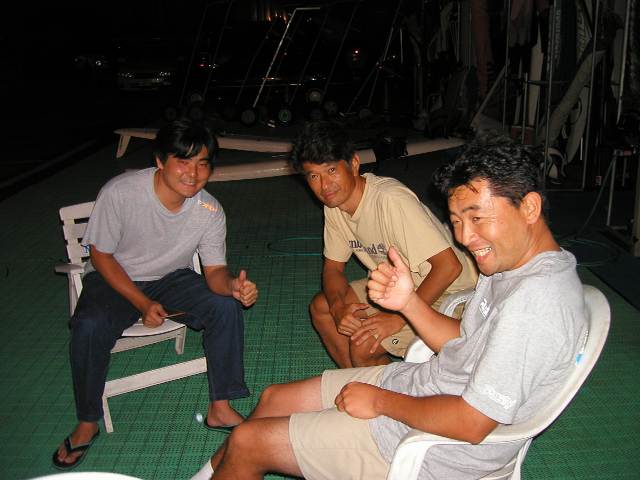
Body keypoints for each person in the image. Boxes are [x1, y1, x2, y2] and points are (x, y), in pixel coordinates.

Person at [191, 133, 587, 480]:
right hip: (422, 385)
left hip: (430, 444)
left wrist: (379, 401)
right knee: (274, 399)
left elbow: (472, 423)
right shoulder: (510, 265)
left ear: (529, 207)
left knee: (249, 441)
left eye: (478, 218)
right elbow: (466, 340)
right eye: (456, 221)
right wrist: (408, 304)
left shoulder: (535, 303)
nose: (465, 237)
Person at [53, 118, 258, 469]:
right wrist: (142, 302)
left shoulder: (209, 210)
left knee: (225, 307)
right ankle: (87, 421)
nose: (193, 174)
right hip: (115, 277)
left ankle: (220, 408)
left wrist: (232, 287)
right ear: (160, 160)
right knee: (89, 326)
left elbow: (214, 274)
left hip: (171, 278)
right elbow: (101, 256)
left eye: (203, 163)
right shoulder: (122, 192)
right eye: (183, 161)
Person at [289, 121, 476, 368]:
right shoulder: (334, 206)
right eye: (314, 176)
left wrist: (399, 317)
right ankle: (358, 379)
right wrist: (338, 309)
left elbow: (449, 267)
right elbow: (333, 269)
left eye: (331, 170)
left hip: (449, 292)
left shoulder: (390, 200)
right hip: (396, 285)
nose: (324, 185)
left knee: (364, 345)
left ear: (354, 164)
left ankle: (376, 385)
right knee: (322, 307)